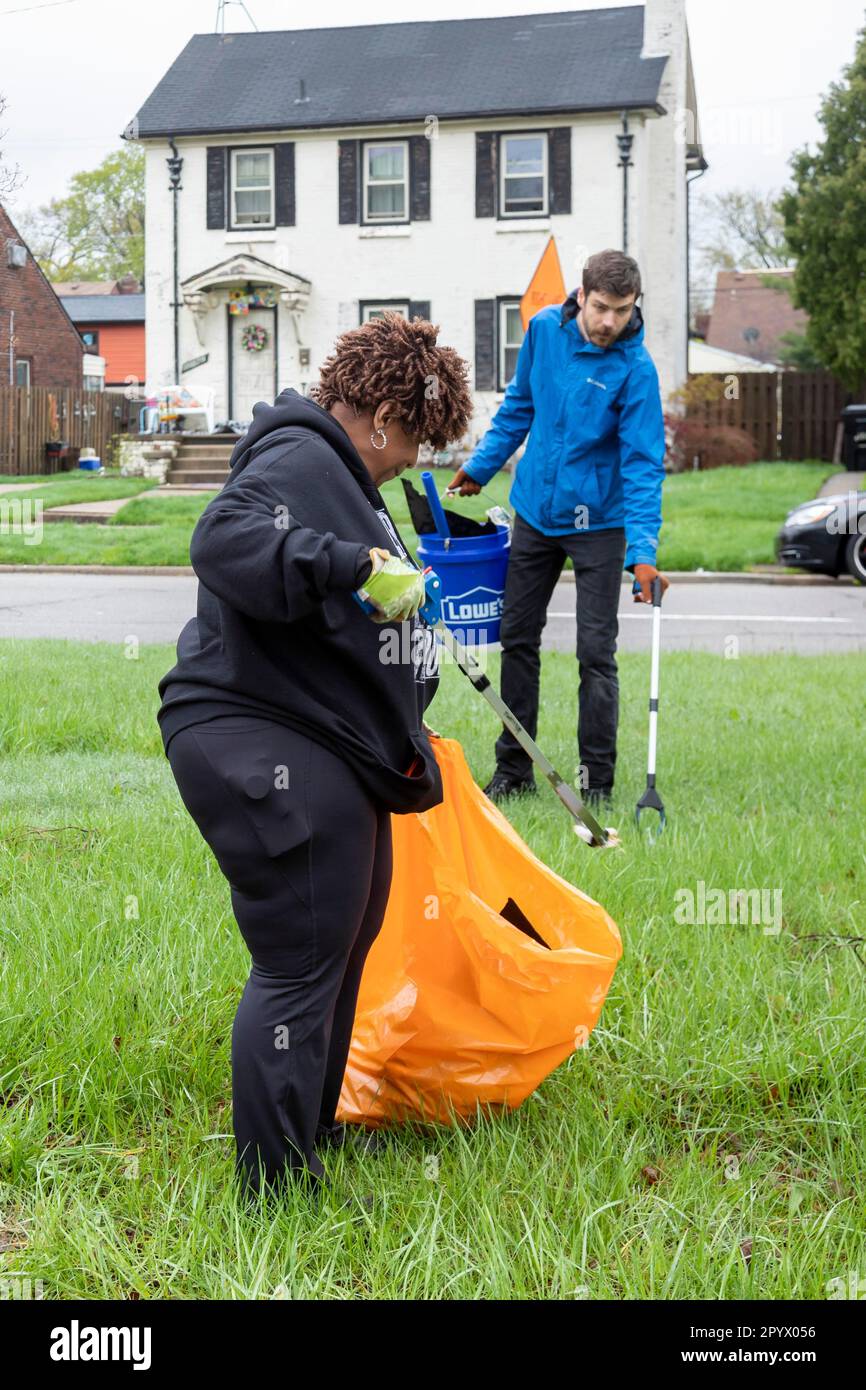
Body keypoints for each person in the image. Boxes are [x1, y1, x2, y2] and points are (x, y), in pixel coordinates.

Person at [157, 313, 473, 1203]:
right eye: (415, 436)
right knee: (300, 954)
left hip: (319, 738)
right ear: (379, 414)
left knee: (348, 933)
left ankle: (311, 1132)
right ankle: (274, 1193)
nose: (414, 457)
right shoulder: (298, 460)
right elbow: (222, 541)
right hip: (254, 733)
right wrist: (347, 565)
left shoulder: (347, 480)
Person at [449, 249, 669, 808]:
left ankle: (596, 780)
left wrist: (642, 551)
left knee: (596, 652)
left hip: (600, 523)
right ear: (580, 297)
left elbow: (643, 465)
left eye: (622, 311)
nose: (608, 322)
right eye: (600, 308)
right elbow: (519, 406)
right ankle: (513, 769)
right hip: (536, 515)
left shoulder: (636, 370)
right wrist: (479, 466)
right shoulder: (544, 331)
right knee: (518, 638)